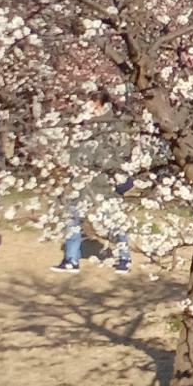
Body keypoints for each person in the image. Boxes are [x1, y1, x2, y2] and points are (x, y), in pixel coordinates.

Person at [53, 99, 131, 274]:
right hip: (79, 184)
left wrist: (108, 169)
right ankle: (71, 259)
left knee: (114, 222)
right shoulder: (80, 123)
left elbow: (123, 154)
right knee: (72, 221)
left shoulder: (114, 126)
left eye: (91, 103)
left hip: (104, 185)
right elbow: (72, 150)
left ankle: (124, 257)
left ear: (100, 104)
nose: (86, 106)